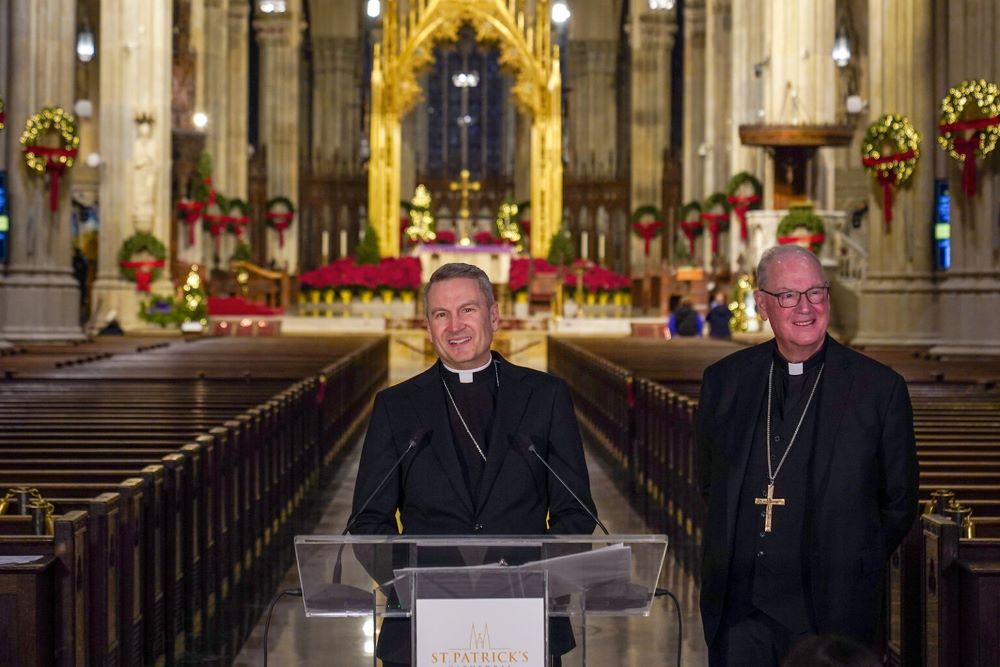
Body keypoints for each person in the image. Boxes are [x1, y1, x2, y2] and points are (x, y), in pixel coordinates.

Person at [349, 262, 599, 666]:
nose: (454, 326)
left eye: (467, 309)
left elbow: (576, 510)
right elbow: (367, 521)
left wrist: (539, 582)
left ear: (493, 315)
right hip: (421, 619)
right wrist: (412, 586)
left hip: (525, 611)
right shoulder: (396, 407)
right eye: (440, 314)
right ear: (428, 326)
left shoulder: (545, 397)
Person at [695, 245, 919, 666]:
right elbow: (711, 482)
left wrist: (854, 559)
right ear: (762, 304)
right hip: (740, 616)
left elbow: (900, 501)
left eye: (816, 293)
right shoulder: (724, 383)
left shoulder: (878, 389)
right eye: (789, 296)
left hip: (833, 618)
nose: (806, 307)